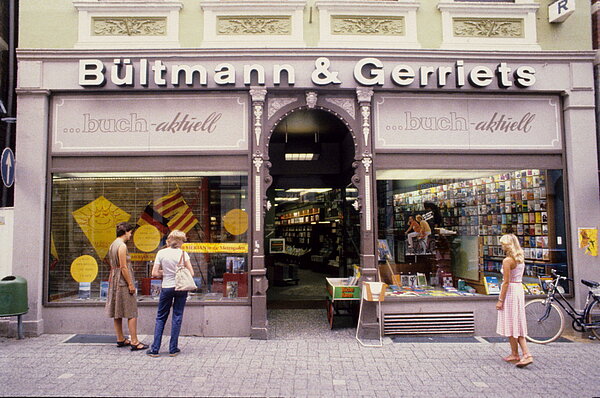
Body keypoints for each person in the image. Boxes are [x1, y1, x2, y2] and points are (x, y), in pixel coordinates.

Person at [147, 230, 195, 357]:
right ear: (180, 242)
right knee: (177, 317)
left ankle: (155, 349)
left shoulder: (161, 253)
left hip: (167, 287)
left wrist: (166, 273)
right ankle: (173, 348)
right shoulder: (184, 254)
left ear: (169, 240)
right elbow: (191, 273)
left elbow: (154, 273)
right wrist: (178, 272)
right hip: (180, 288)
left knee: (161, 317)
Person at [105, 222, 148, 351]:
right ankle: (134, 341)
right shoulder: (122, 246)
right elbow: (123, 267)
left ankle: (120, 338)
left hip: (114, 279)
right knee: (131, 311)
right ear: (125, 232)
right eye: (130, 232)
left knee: (117, 311)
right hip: (122, 281)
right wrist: (130, 283)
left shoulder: (113, 244)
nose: (131, 235)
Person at [496, 233, 533, 368]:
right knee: (514, 322)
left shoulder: (507, 261)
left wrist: (501, 300)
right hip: (518, 289)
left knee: (513, 323)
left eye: (503, 245)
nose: (502, 247)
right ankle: (514, 353)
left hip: (511, 291)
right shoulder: (519, 259)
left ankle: (526, 354)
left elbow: (506, 282)